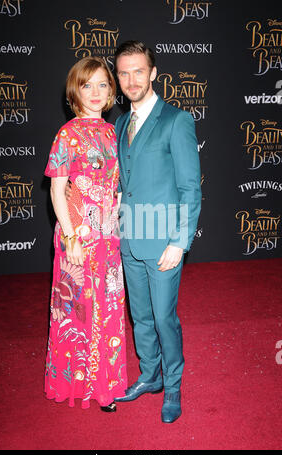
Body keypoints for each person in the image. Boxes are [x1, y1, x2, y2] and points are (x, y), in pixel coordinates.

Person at [113, 41, 201, 423]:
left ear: (153, 74)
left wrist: (180, 242)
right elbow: (124, 183)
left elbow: (190, 188)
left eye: (138, 71)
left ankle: (174, 386)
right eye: (123, 72)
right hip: (129, 239)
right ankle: (150, 375)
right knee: (141, 317)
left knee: (165, 319)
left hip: (164, 242)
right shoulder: (119, 124)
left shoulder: (176, 120)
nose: (131, 79)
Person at [44, 56, 127, 413]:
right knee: (78, 313)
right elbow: (57, 189)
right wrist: (70, 238)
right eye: (87, 85)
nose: (95, 93)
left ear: (111, 91)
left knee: (108, 310)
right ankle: (75, 382)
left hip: (108, 236)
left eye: (103, 85)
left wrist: (118, 222)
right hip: (77, 236)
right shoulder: (68, 134)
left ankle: (106, 385)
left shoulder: (113, 131)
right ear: (74, 91)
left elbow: (117, 185)